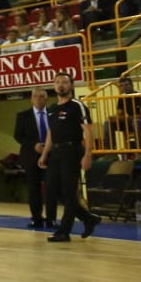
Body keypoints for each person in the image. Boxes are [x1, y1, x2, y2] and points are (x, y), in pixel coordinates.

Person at [42, 72, 101, 243]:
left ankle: (64, 231)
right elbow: (51, 133)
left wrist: (88, 153)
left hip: (72, 151)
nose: (61, 85)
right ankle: (87, 218)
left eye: (65, 82)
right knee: (52, 190)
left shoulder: (77, 106)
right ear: (54, 86)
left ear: (71, 86)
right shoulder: (52, 109)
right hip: (56, 153)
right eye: (58, 82)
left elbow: (88, 130)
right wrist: (45, 153)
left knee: (69, 192)